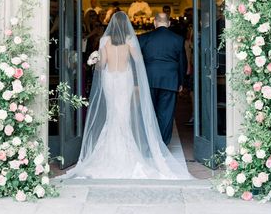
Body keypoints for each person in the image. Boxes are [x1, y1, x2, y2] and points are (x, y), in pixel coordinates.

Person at [66, 12, 189, 180]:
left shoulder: (104, 40)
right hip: (125, 79)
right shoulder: (130, 40)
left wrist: (95, 59)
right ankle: (127, 150)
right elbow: (138, 61)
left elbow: (102, 65)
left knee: (112, 114)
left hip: (110, 79)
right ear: (126, 25)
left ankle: (110, 151)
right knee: (123, 114)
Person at [139, 13, 187, 146]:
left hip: (149, 79)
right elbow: (182, 63)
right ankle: (163, 144)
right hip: (170, 80)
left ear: (155, 22)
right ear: (169, 23)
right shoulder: (178, 39)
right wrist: (181, 82)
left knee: (148, 111)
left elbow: (137, 60)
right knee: (166, 114)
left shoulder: (144, 38)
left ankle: (149, 142)